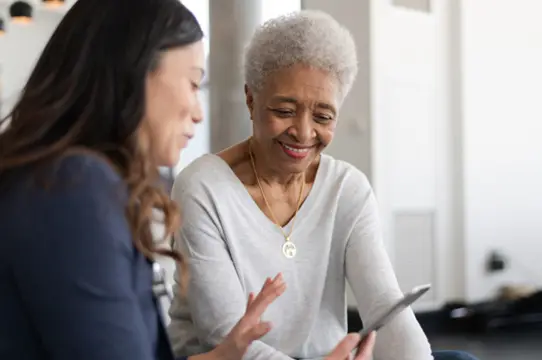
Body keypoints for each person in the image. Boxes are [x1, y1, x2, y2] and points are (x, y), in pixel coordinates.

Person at [0, 1, 375, 359]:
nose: (198, 112)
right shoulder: (74, 188)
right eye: (194, 84)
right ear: (134, 74)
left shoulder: (67, 180)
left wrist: (223, 356)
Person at [167, 9, 478, 360]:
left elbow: (385, 306)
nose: (303, 132)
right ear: (251, 99)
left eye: (322, 117)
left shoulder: (347, 189)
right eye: (284, 111)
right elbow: (224, 335)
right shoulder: (202, 188)